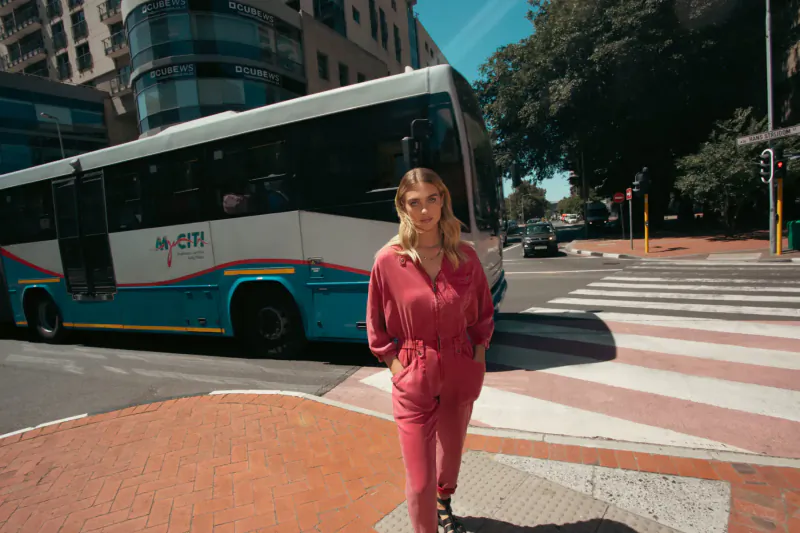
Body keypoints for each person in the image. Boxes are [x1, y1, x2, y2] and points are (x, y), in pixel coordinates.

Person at [366, 168, 494, 533]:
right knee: (419, 482)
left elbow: (483, 314)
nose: (425, 211)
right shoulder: (388, 260)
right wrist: (397, 368)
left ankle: (445, 500)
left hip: (459, 370)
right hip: (413, 375)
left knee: (449, 461)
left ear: (443, 200)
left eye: (432, 200)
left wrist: (478, 359)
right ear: (402, 206)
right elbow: (376, 325)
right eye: (415, 202)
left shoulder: (464, 257)